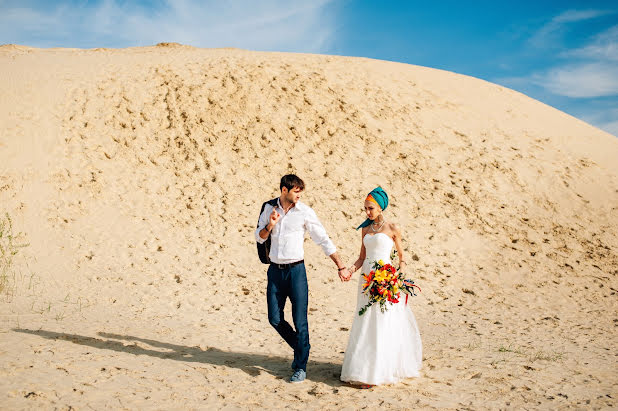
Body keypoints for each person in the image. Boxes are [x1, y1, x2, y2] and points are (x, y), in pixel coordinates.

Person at [255, 174, 348, 383]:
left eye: (300, 191)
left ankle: (300, 366)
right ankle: (302, 347)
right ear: (284, 190)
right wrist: (270, 225)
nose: (299, 195)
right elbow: (258, 237)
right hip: (275, 272)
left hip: (297, 272)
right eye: (295, 191)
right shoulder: (268, 208)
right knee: (275, 319)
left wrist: (340, 265)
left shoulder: (305, 212)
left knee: (300, 321)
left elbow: (323, 239)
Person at [340, 186, 422, 387]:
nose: (367, 212)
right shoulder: (366, 229)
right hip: (366, 280)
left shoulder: (393, 228)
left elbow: (402, 259)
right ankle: (361, 369)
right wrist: (350, 270)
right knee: (364, 320)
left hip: (385, 280)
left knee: (380, 322)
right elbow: (362, 257)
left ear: (380, 207)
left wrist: (396, 279)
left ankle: (377, 372)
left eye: (371, 208)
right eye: (365, 209)